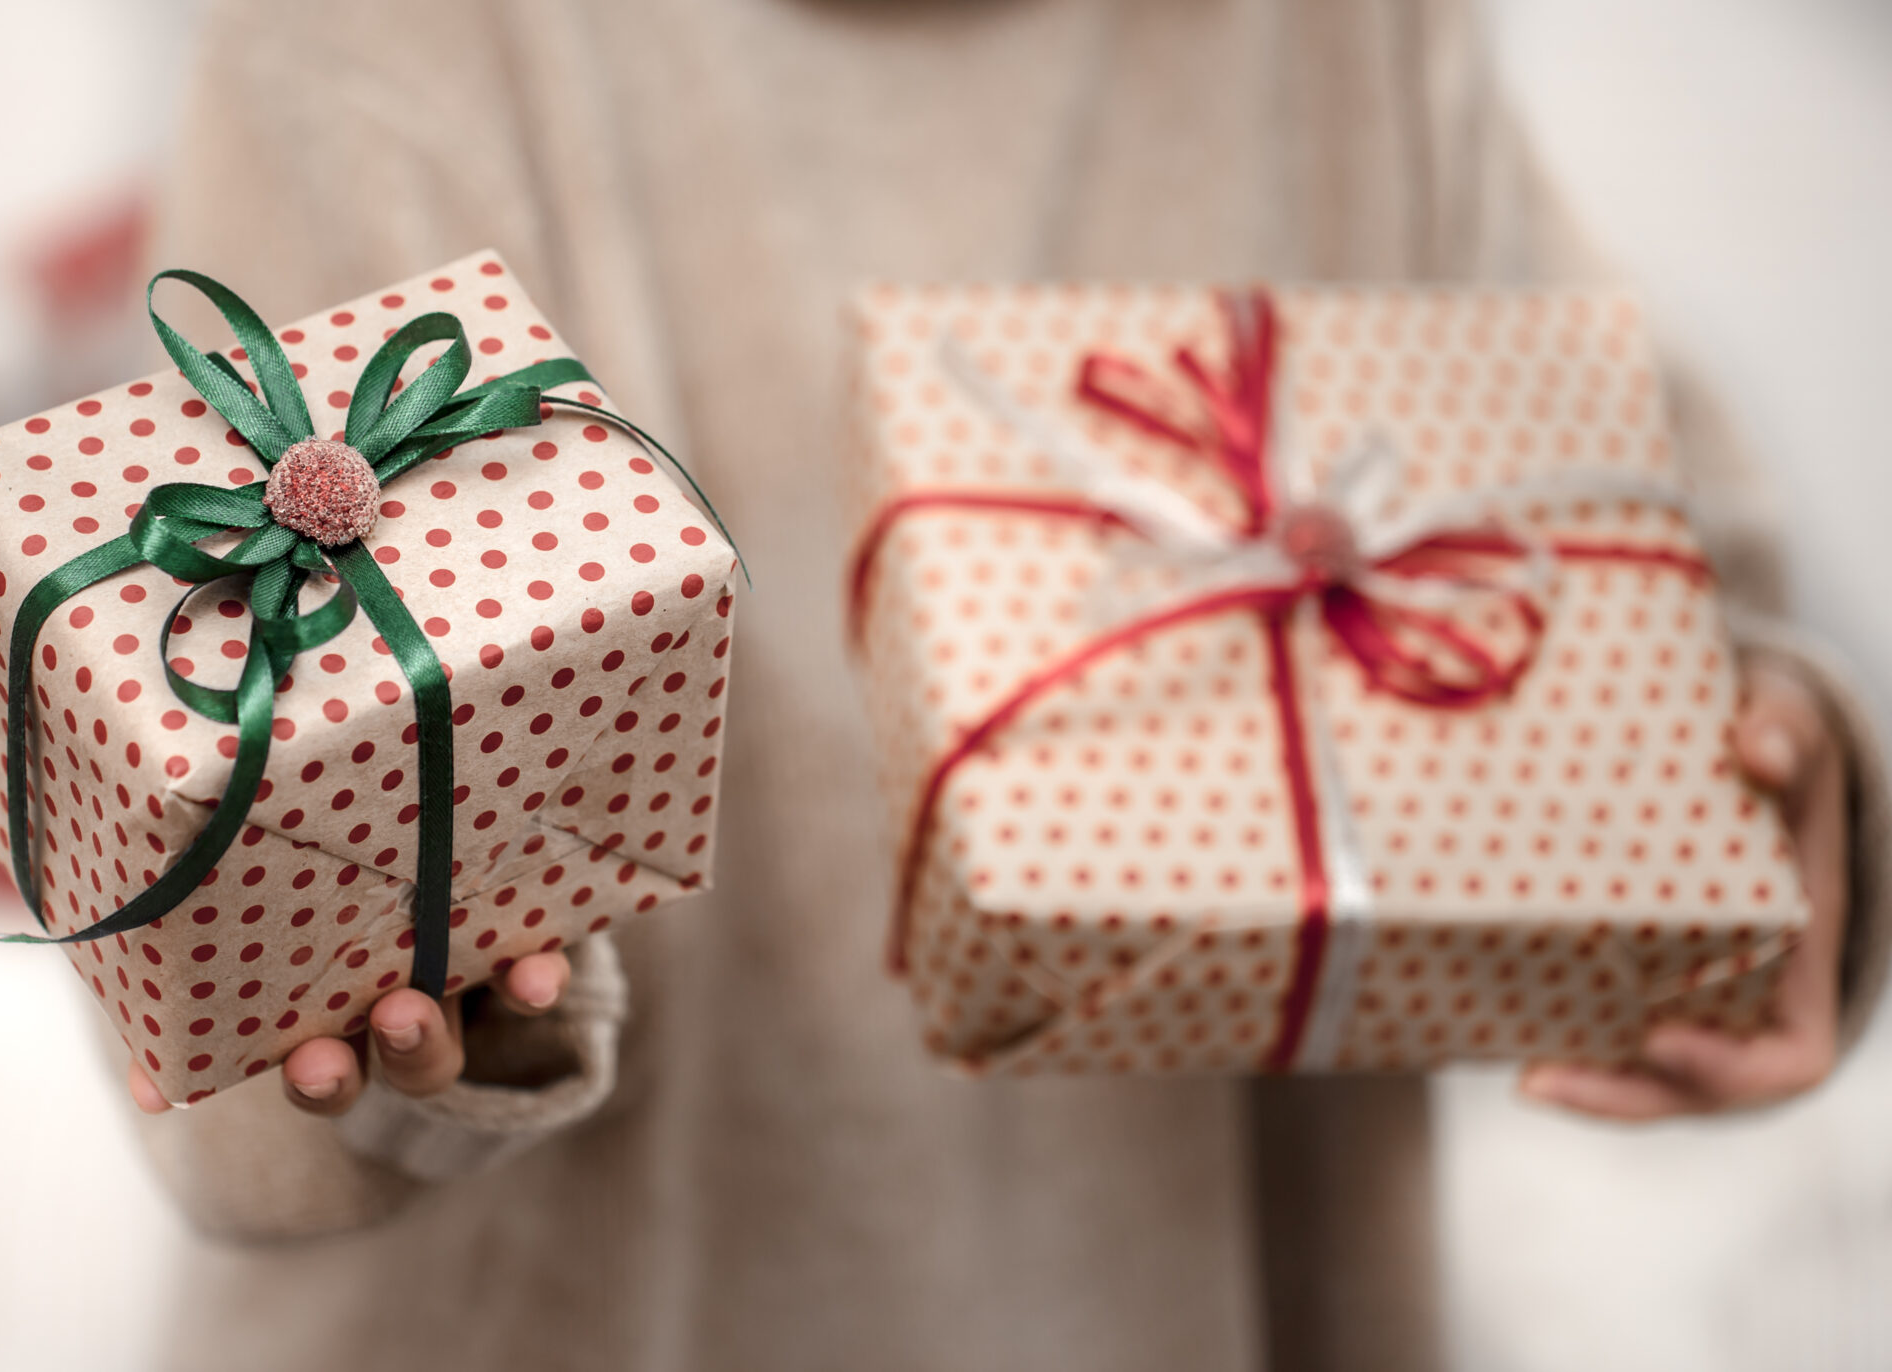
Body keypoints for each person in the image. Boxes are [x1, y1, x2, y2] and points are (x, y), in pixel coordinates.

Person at [113, 1, 1886, 1367]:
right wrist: (342, 988)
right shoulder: (372, 44)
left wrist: (1767, 786)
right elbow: (213, 865)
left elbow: (1643, 556)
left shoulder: (1350, 35)